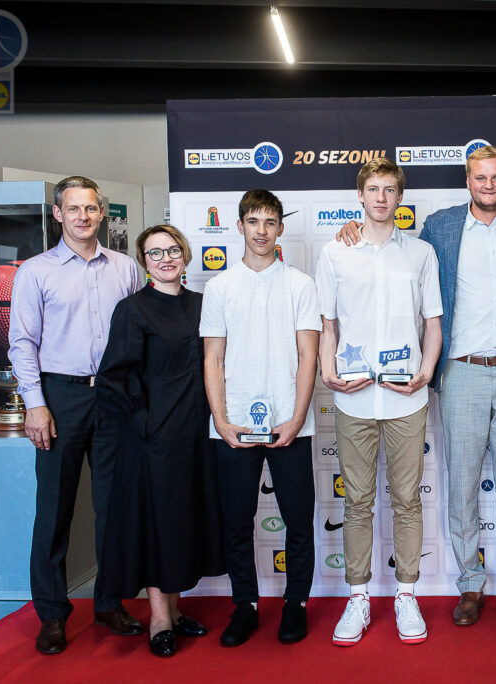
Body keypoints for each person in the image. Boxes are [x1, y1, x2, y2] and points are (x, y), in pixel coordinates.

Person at [337, 145, 496, 626]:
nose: (488, 185)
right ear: (468, 181)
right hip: (461, 369)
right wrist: (351, 229)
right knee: (462, 485)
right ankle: (469, 583)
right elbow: (393, 253)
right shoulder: (440, 228)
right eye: (480, 177)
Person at [8, 176, 144, 655]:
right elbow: (22, 343)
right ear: (57, 214)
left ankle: (109, 602)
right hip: (59, 397)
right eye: (73, 208)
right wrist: (35, 404)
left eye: (90, 208)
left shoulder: (126, 269)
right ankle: (51, 614)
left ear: (102, 213)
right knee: (54, 509)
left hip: (115, 397)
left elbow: (140, 334)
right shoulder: (36, 272)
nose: (83, 217)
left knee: (114, 506)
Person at [316, 158, 442, 645]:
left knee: (407, 500)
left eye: (390, 189)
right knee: (357, 503)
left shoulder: (422, 253)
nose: (382, 197)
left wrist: (425, 373)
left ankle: (406, 595)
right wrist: (328, 371)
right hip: (353, 400)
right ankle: (358, 597)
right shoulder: (335, 252)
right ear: (360, 195)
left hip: (407, 399)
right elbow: (328, 325)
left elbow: (432, 323)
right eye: (373, 189)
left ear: (400, 197)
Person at [96, 225, 225, 657]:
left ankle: (175, 607)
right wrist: (146, 425)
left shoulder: (203, 305)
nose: (165, 259)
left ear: (185, 255)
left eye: (172, 250)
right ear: (144, 262)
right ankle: (159, 619)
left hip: (199, 435)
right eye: (155, 253)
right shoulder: (132, 310)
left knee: (183, 522)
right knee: (157, 525)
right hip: (153, 440)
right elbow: (113, 380)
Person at [200, 189, 321, 647]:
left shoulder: (300, 284)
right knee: (236, 520)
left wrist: (297, 417)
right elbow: (213, 358)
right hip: (233, 425)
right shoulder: (219, 287)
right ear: (240, 227)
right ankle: (245, 605)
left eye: (270, 222)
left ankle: (296, 603)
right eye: (253, 221)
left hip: (290, 422)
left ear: (281, 228)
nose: (262, 231)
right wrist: (220, 418)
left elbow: (308, 356)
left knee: (298, 519)